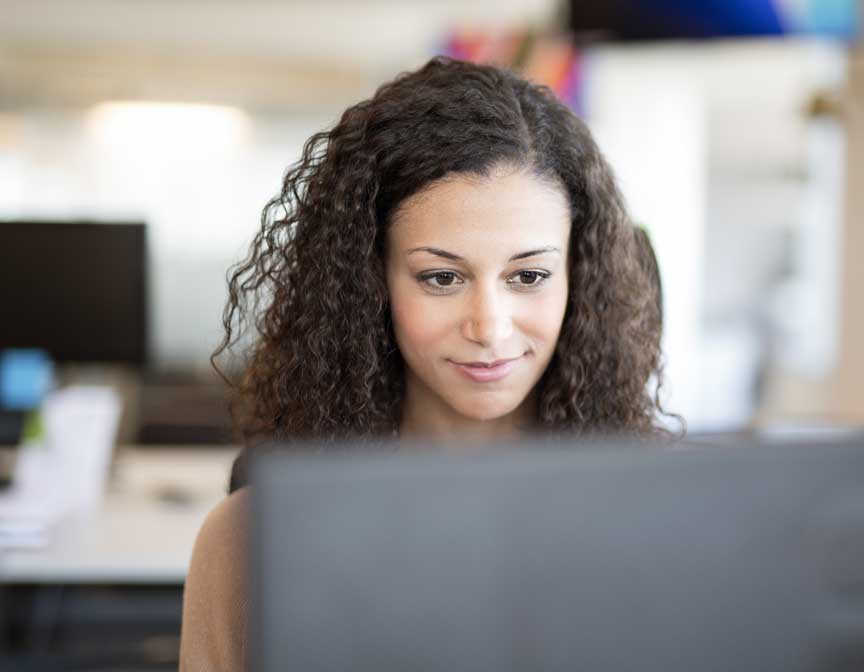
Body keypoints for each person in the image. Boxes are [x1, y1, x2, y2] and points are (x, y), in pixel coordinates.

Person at [179, 56, 676, 671]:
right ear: (371, 282)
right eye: (441, 277)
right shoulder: (248, 540)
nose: (490, 326)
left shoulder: (658, 526)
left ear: (578, 279)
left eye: (530, 276)